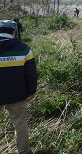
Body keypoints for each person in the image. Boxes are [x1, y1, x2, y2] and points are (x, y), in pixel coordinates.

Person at [0, 19, 38, 154]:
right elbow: (31, 75)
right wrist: (30, 91)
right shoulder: (24, 49)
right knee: (20, 124)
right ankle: (23, 151)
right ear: (14, 32)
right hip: (17, 94)